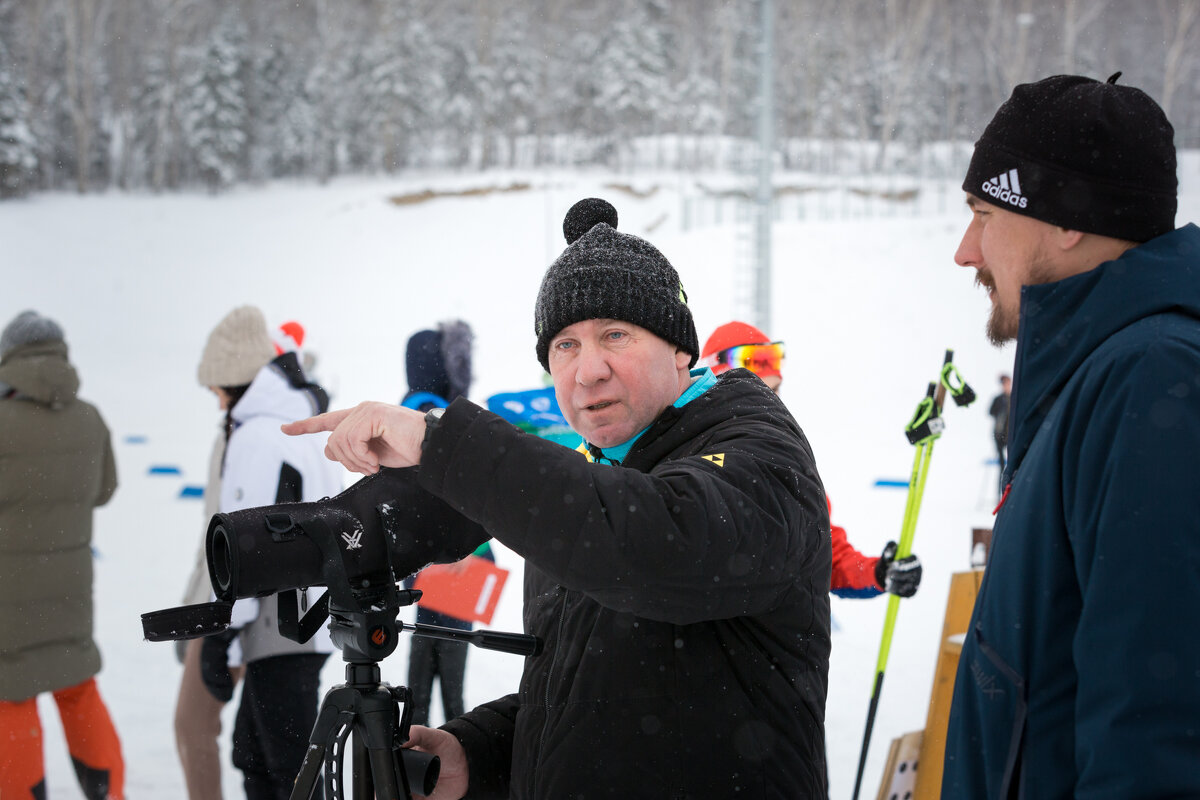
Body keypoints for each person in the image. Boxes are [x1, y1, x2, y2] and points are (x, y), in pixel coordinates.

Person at [284, 197, 832, 798]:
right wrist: (480, 752)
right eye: (564, 345)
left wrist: (442, 442)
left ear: (680, 350)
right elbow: (597, 694)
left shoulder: (759, 451)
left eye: (615, 335)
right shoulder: (586, 485)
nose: (587, 370)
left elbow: (656, 543)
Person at [944, 73, 1200, 797]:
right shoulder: (1099, 372)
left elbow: (1156, 728)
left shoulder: (1151, 379)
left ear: (1065, 219)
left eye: (983, 213)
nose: (967, 251)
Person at [190, 305, 342, 800]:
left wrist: (221, 632)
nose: (217, 405)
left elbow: (244, 544)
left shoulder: (256, 434)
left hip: (278, 623)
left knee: (289, 769)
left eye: (215, 390)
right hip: (305, 614)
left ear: (232, 381)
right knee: (256, 753)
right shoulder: (300, 421)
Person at [700, 320, 922, 599]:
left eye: (774, 390)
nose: (768, 402)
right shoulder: (687, 455)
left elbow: (826, 556)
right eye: (754, 392)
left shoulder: (789, 463)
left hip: (785, 637)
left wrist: (877, 572)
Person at [0, 310, 125, 800]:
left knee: (13, 696)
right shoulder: (90, 417)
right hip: (70, 584)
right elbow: (105, 489)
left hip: (9, 596)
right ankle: (111, 793)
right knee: (77, 688)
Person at [398, 321, 494, 726]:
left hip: (429, 559)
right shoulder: (444, 413)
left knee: (422, 674)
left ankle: (413, 758)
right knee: (449, 672)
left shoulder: (415, 409)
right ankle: (448, 751)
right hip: (456, 559)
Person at [987, 373, 1011, 491]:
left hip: (1010, 435)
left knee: (1011, 464)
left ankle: (1009, 491)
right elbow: (991, 412)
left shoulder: (1014, 398)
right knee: (1002, 466)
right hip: (999, 434)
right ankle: (1000, 492)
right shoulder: (998, 399)